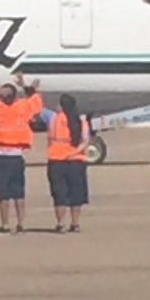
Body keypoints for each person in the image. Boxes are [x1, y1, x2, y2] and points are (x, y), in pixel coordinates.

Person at [0, 74, 43, 233]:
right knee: (18, 192)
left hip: (2, 156)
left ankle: (5, 224)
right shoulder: (22, 108)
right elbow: (36, 103)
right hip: (17, 156)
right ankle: (21, 224)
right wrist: (27, 88)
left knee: (3, 193)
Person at [39, 93, 92, 232]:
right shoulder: (81, 121)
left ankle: (61, 223)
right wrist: (74, 153)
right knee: (77, 194)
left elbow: (38, 108)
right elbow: (85, 141)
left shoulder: (52, 117)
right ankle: (75, 223)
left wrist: (31, 91)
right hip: (76, 161)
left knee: (59, 194)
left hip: (56, 160)